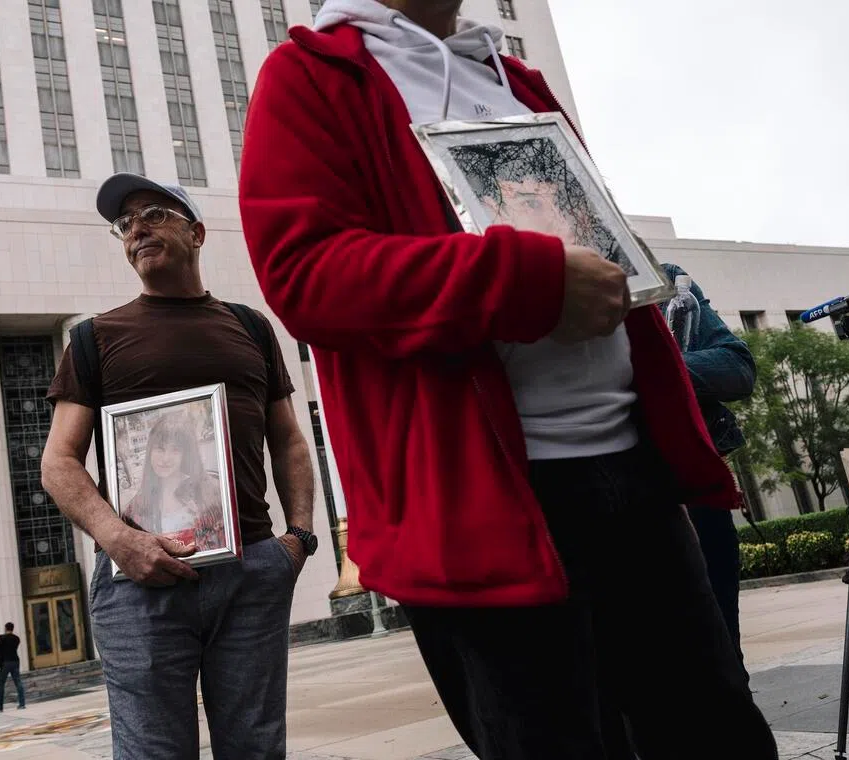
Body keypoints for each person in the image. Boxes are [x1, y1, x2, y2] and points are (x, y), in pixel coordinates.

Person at [238, 2, 777, 759]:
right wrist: (525, 279)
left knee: (716, 730)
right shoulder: (309, 76)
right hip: (482, 504)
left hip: (637, 476)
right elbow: (303, 273)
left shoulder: (517, 78)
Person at [41, 174, 318, 760]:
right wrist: (119, 539)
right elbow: (59, 463)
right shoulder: (94, 338)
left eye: (154, 214)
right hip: (141, 579)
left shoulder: (250, 327)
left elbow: (289, 440)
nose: (136, 228)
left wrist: (297, 539)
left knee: (256, 748)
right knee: (152, 752)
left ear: (196, 232)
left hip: (250, 569)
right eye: (124, 224)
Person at [661, 262, 756, 661]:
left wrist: (654, 367)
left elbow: (737, 369)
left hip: (693, 494)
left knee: (723, 661)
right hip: (593, 507)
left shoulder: (664, 279)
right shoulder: (519, 284)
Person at [121, 411, 226, 551]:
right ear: (150, 451)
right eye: (160, 448)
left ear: (186, 455)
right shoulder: (136, 506)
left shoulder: (208, 492)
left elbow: (221, 545)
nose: (166, 458)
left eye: (175, 450)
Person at [0, 622, 25, 712]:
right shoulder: (17, 638)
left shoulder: (3, 637)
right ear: (12, 628)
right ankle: (22, 704)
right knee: (18, 682)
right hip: (16, 661)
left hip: (6, 662)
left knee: (1, 684)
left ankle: (0, 707)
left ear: (5, 628)